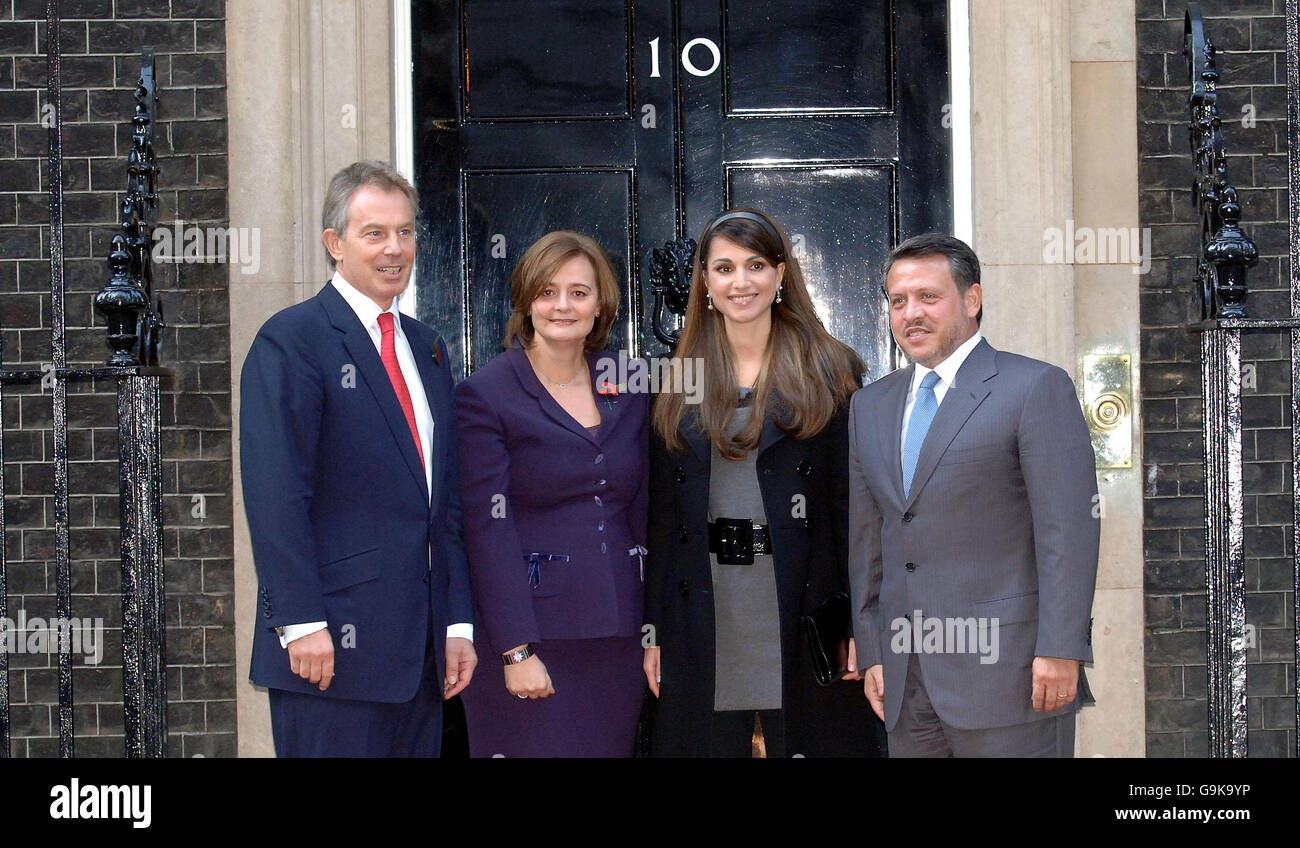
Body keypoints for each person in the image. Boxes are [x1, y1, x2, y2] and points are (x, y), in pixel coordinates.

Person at [241, 160, 476, 757]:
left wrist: (455, 623)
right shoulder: (291, 340)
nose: (395, 248)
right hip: (328, 654)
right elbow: (276, 496)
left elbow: (443, 502)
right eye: (375, 233)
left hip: (419, 657)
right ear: (334, 244)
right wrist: (300, 622)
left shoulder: (428, 348)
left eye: (405, 232)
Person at [847, 233, 1100, 758]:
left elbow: (1068, 533)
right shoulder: (869, 406)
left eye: (928, 297)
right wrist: (873, 651)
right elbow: (868, 540)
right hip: (905, 680)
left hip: (1010, 675)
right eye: (898, 301)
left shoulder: (1034, 388)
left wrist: (1061, 648)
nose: (911, 313)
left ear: (972, 299)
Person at [643, 208, 884, 757]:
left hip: (800, 603)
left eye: (755, 265)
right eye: (723, 268)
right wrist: (654, 629)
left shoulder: (832, 370)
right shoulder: (675, 379)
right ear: (704, 280)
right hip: (705, 607)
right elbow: (662, 518)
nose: (740, 282)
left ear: (780, 274)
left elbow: (851, 510)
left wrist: (856, 622)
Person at [456, 231, 649, 757]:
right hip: (532, 636)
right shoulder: (487, 393)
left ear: (601, 304)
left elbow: (645, 510)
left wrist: (654, 633)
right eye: (546, 291)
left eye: (579, 292)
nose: (563, 305)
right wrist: (516, 649)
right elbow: (485, 528)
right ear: (525, 301)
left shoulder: (629, 381)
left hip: (617, 638)